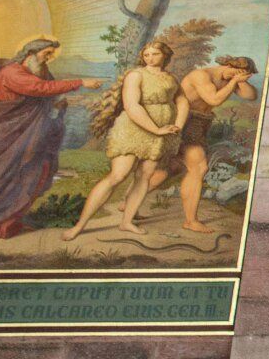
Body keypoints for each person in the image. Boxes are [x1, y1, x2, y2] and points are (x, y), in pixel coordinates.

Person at [0, 37, 104, 239]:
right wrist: (80, 82)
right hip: (5, 134)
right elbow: (39, 89)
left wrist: (64, 100)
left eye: (51, 54)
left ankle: (8, 222)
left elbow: (45, 93)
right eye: (46, 54)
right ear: (31, 53)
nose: (49, 58)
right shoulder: (12, 72)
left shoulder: (37, 72)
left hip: (26, 134)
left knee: (32, 173)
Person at [63, 41, 187, 240]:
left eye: (155, 54)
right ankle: (79, 226)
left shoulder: (170, 78)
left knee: (145, 175)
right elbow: (131, 105)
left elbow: (182, 101)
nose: (150, 58)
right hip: (133, 129)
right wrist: (156, 129)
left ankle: (126, 222)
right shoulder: (136, 75)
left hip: (162, 131)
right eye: (146, 55)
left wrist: (177, 126)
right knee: (117, 176)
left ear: (165, 55)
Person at [145, 56, 258, 233]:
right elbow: (214, 100)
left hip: (200, 123)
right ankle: (191, 221)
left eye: (244, 74)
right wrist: (234, 80)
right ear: (227, 65)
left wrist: (239, 80)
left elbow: (251, 96)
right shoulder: (201, 75)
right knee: (198, 167)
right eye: (236, 72)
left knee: (169, 169)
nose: (237, 76)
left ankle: (129, 201)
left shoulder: (230, 78)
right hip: (184, 120)